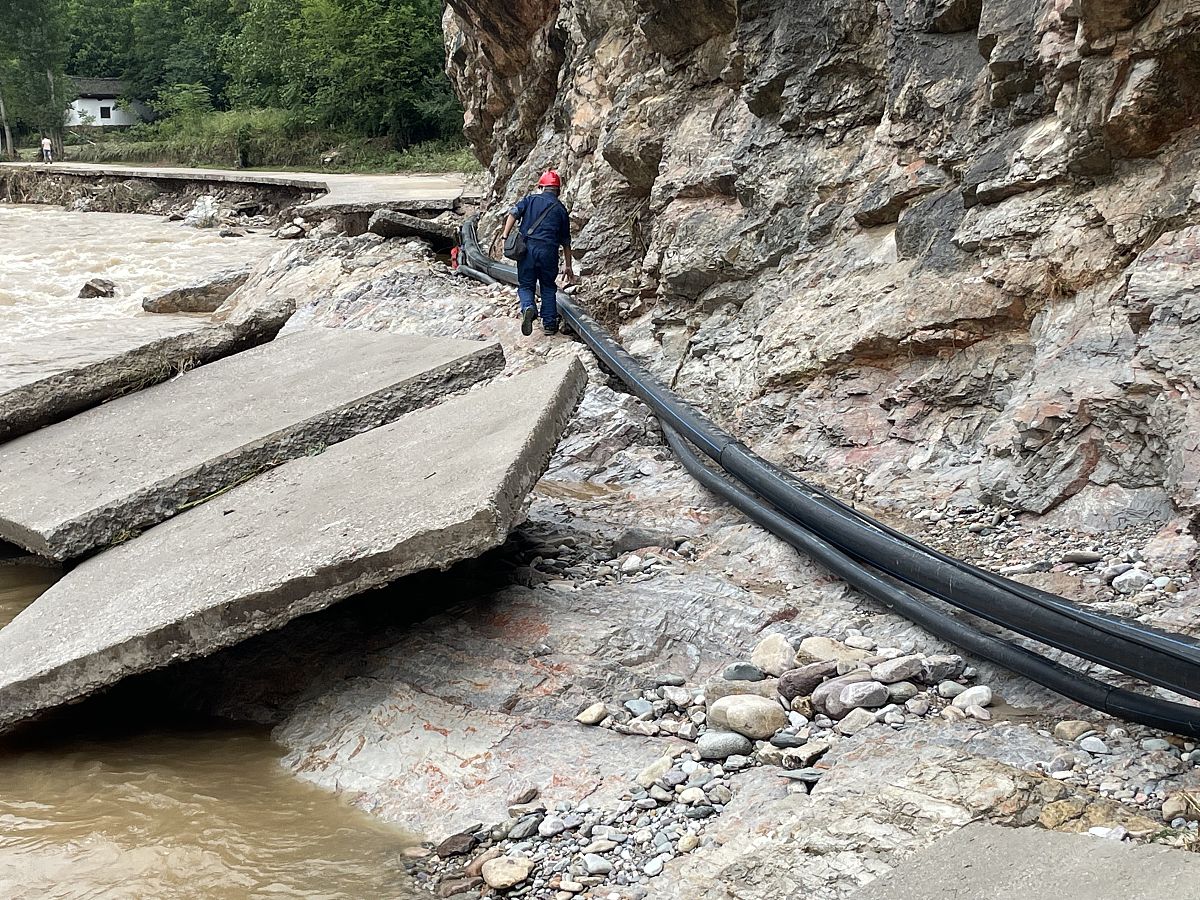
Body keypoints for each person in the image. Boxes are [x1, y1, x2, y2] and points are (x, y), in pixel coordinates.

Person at [501, 170, 577, 335]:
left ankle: (528, 307)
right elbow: (566, 241)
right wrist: (568, 265)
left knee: (526, 285)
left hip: (527, 249)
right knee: (548, 287)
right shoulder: (561, 210)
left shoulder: (530, 199)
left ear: (541, 187)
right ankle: (549, 325)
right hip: (549, 251)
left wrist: (505, 236)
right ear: (559, 190)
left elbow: (513, 214)